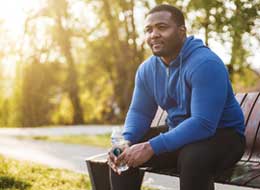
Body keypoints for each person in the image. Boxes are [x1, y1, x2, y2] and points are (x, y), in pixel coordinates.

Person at [108, 4, 245, 190]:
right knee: (122, 154)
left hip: (224, 136)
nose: (153, 34)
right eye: (148, 30)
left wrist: (150, 147)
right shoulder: (147, 69)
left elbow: (203, 124)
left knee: (193, 157)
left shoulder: (205, 63)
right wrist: (127, 141)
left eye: (162, 27)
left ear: (182, 32)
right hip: (182, 132)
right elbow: (139, 112)